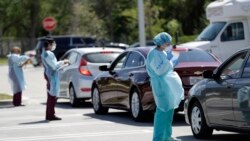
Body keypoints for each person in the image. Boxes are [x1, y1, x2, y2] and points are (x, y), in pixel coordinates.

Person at [145, 32, 184, 141]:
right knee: (162, 112)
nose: (168, 45)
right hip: (160, 85)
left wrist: (171, 60)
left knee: (169, 111)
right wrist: (170, 61)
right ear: (160, 43)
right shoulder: (153, 54)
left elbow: (167, 66)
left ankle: (167, 137)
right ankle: (158, 138)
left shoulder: (163, 52)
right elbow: (159, 70)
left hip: (167, 85)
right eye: (167, 43)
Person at [41, 37, 69, 121]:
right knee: (52, 96)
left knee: (51, 95)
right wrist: (63, 62)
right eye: (53, 44)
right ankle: (50, 115)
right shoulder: (48, 53)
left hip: (50, 74)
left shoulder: (45, 53)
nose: (54, 45)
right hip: (51, 75)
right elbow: (54, 65)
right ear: (49, 44)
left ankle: (50, 114)